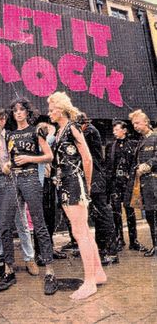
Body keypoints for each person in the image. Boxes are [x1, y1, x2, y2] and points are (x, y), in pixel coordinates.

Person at [0, 98, 58, 295]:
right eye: (15, 110)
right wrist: (6, 165)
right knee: (4, 225)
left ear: (27, 112)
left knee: (39, 225)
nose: (18, 113)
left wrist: (30, 158)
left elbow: (49, 156)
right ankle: (8, 270)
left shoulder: (35, 131)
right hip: (12, 179)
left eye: (22, 110)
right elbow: (8, 159)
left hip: (30, 178)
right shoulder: (10, 135)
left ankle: (49, 272)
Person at [48, 92, 106, 301]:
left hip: (73, 184)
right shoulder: (60, 130)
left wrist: (87, 185)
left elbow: (87, 158)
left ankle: (89, 282)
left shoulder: (71, 127)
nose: (49, 112)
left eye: (51, 108)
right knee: (84, 232)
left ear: (61, 109)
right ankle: (98, 273)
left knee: (80, 232)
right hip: (66, 184)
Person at [0, 108, 39, 276]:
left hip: (11, 181)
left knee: (21, 221)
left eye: (1, 119)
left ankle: (29, 258)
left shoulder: (11, 136)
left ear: (5, 120)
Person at [78, 113, 119, 266]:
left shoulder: (89, 131)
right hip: (95, 177)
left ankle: (111, 251)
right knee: (99, 214)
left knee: (102, 213)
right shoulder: (90, 130)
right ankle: (103, 249)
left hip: (96, 178)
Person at [106, 120, 147, 252]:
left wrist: (132, 176)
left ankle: (133, 240)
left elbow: (137, 161)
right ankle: (119, 239)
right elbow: (108, 165)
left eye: (117, 129)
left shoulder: (133, 144)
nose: (114, 132)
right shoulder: (111, 146)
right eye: (114, 130)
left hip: (128, 183)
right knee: (116, 212)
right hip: (115, 183)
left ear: (124, 130)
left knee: (130, 211)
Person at [126, 110, 157, 257]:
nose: (135, 126)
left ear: (146, 122)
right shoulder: (141, 141)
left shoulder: (155, 138)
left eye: (137, 123)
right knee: (150, 216)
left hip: (154, 182)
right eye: (133, 124)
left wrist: (148, 165)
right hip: (145, 185)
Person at [35, 122, 67, 266]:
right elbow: (47, 143)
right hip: (40, 183)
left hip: (49, 182)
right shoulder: (39, 142)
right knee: (41, 219)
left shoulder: (50, 142)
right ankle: (39, 252)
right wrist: (52, 132)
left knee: (50, 217)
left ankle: (49, 248)